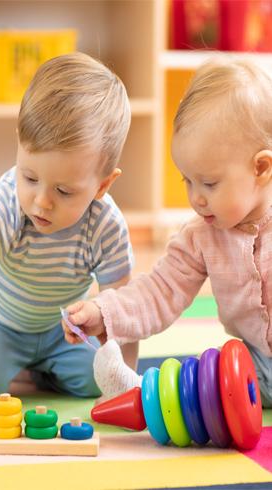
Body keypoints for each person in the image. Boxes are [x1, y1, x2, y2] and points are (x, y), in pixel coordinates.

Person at [63, 56, 272, 406]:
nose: (195, 198)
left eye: (208, 183)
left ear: (261, 168)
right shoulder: (202, 236)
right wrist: (104, 313)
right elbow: (159, 291)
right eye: (187, 180)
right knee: (208, 381)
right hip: (255, 367)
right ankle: (145, 394)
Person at [0, 51, 138, 398]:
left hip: (60, 330)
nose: (41, 200)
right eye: (29, 177)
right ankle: (13, 368)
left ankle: (33, 375)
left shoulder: (105, 226)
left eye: (64, 190)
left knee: (100, 379)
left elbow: (122, 310)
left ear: (103, 186)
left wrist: (124, 381)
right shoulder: (9, 203)